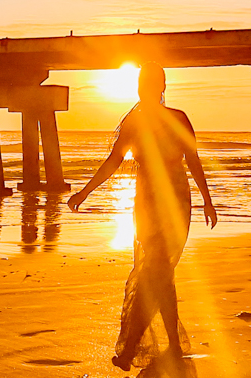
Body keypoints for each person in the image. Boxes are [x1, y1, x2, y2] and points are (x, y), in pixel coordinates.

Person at [68, 64, 217, 372]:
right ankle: (171, 345)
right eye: (141, 83)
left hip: (176, 201)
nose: (145, 88)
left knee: (158, 270)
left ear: (161, 85)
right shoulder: (134, 122)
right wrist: (84, 192)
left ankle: (133, 347)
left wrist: (207, 199)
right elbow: (113, 162)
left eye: (151, 83)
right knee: (159, 272)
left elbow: (194, 161)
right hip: (147, 204)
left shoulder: (179, 119)